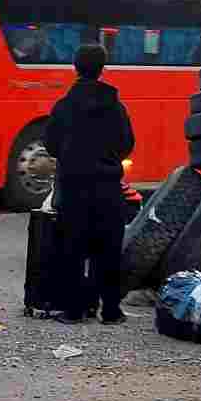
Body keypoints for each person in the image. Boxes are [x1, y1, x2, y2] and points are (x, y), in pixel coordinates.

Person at [43, 42, 135, 325]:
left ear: (75, 68)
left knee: (72, 248)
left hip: (72, 188)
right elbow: (126, 144)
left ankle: (74, 310)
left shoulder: (63, 107)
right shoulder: (115, 106)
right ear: (102, 69)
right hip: (107, 188)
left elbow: (51, 145)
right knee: (107, 250)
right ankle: (110, 310)